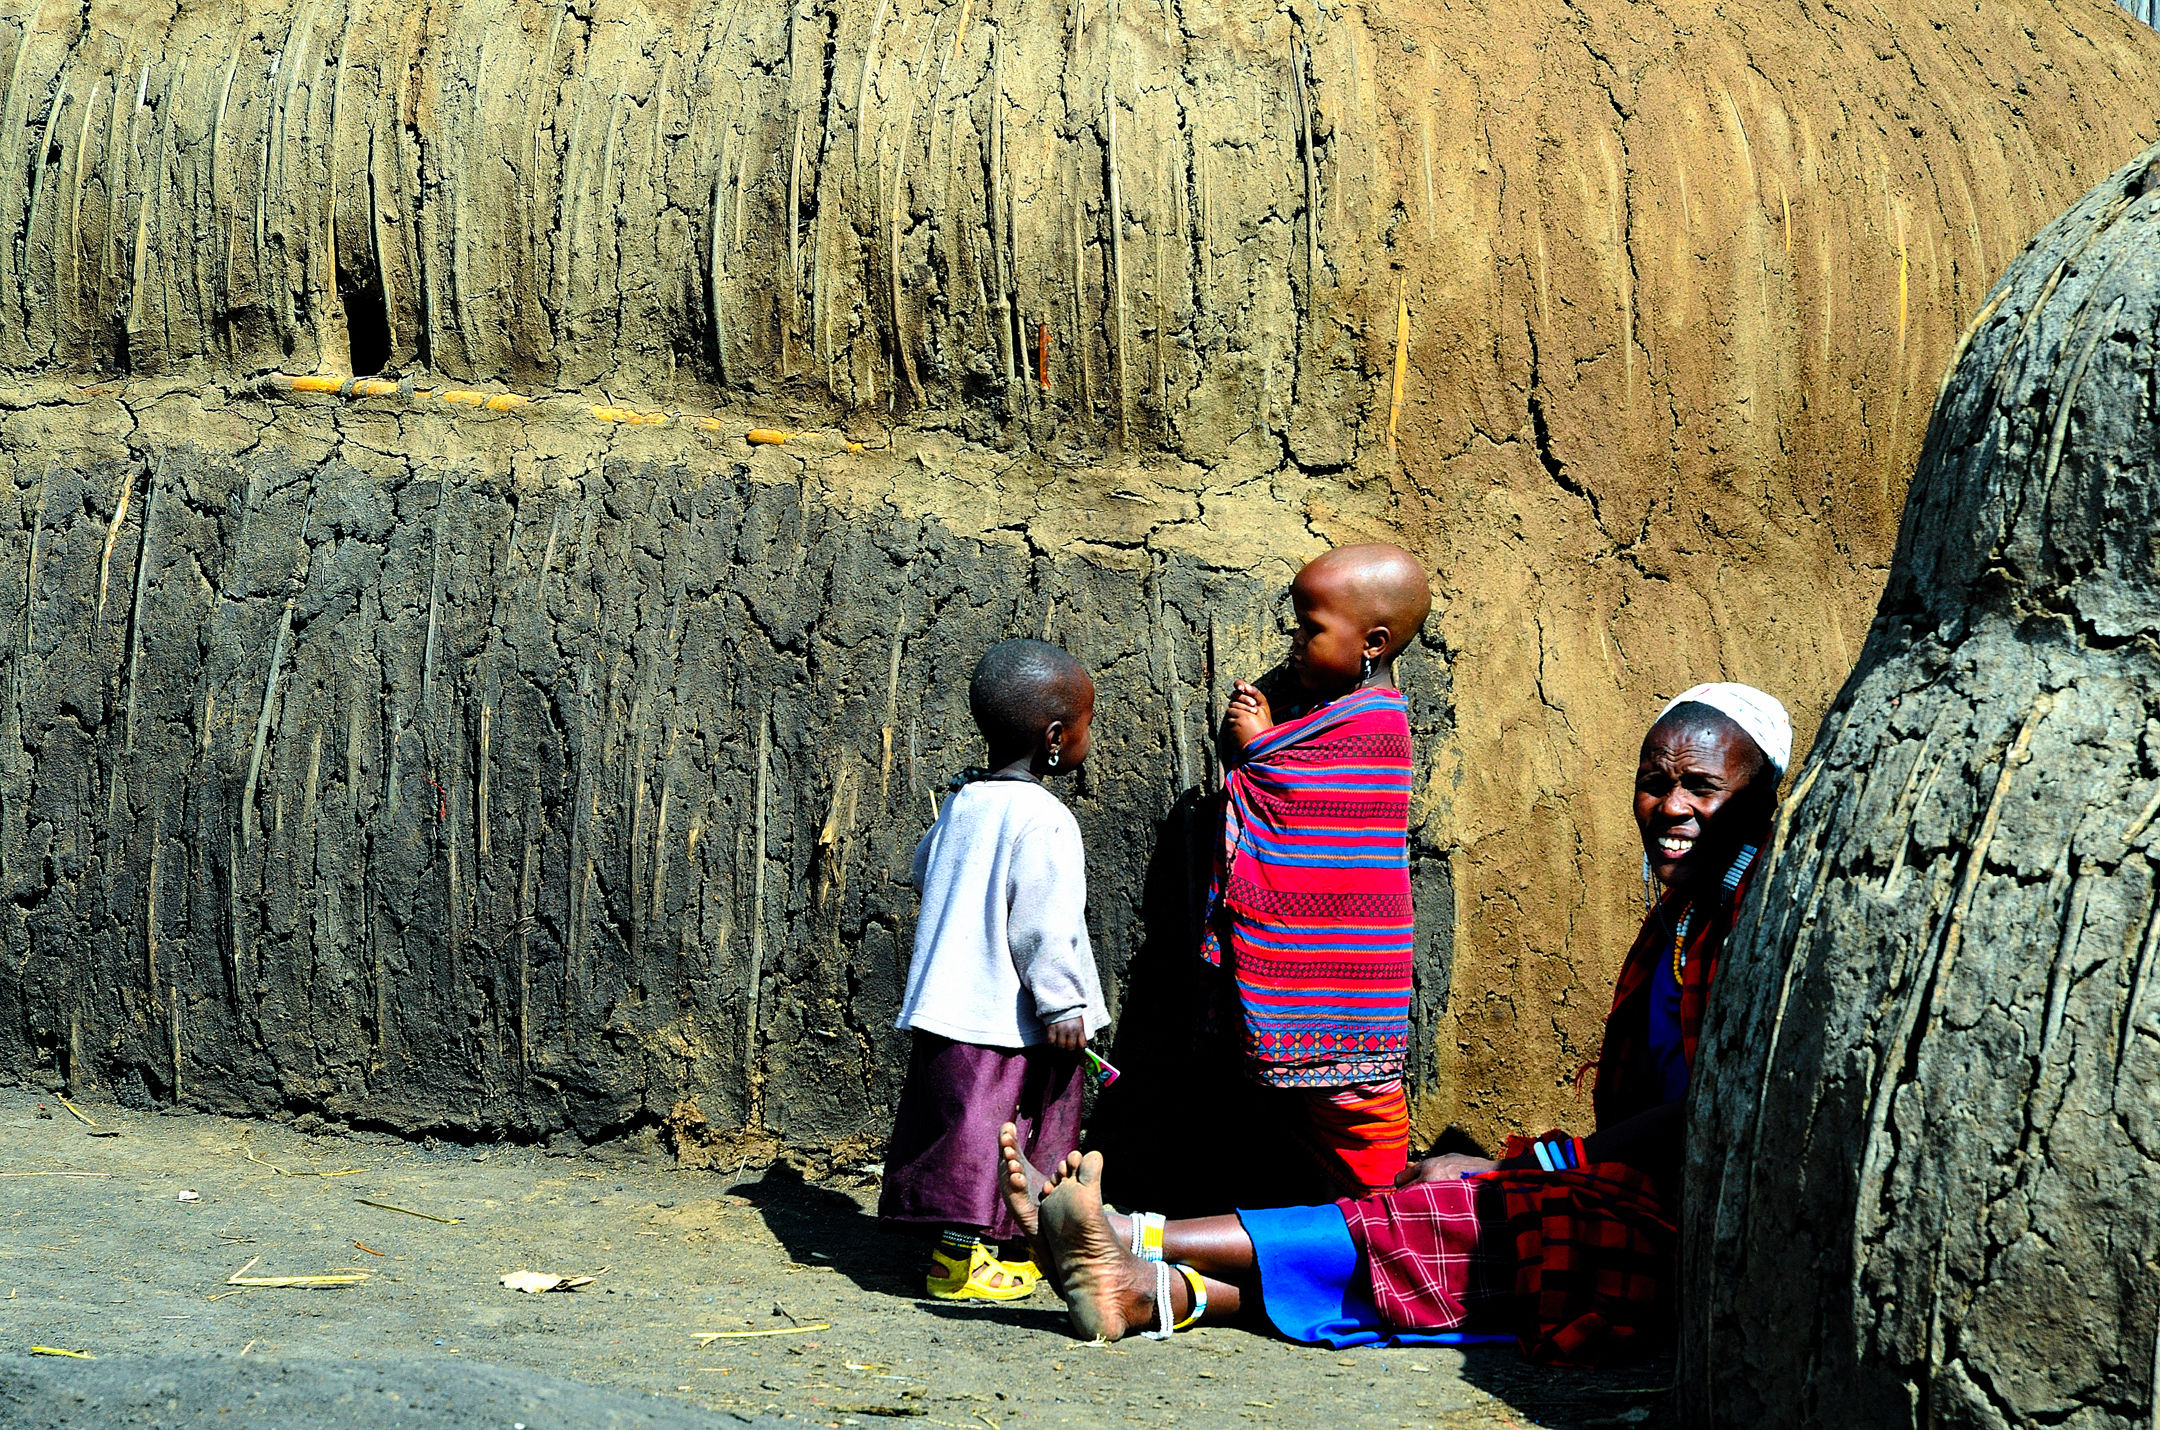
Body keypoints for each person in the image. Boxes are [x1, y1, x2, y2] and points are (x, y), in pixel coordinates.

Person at [1011, 683, 1791, 1365]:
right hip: (1637, 1193)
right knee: (1442, 1208)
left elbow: (1707, 1116)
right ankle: (1144, 1292)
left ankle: (1138, 1238)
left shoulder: (1760, 927)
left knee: (1475, 1212)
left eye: (1701, 786)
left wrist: (1541, 1166)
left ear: (1763, 798)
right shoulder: (1684, 921)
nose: (1671, 807)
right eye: (1654, 783)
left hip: (1707, 1234)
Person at [877, 639, 1111, 1301]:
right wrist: (1064, 1005)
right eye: (1089, 724)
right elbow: (1044, 926)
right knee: (999, 1143)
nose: (1091, 736)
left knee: (963, 1138)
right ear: (1057, 737)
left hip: (948, 1009)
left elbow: (926, 872)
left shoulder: (962, 804)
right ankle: (964, 1263)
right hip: (1010, 1022)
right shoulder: (1046, 820)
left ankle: (983, 1252)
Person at [1203, 543, 1435, 1200]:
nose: (1295, 642)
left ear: (1374, 642)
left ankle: (1393, 1232)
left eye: (1311, 629)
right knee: (1313, 1148)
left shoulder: (1377, 722)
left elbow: (1303, 794)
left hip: (1349, 998)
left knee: (1368, 1150)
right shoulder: (1341, 717)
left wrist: (1257, 744)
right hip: (1326, 984)